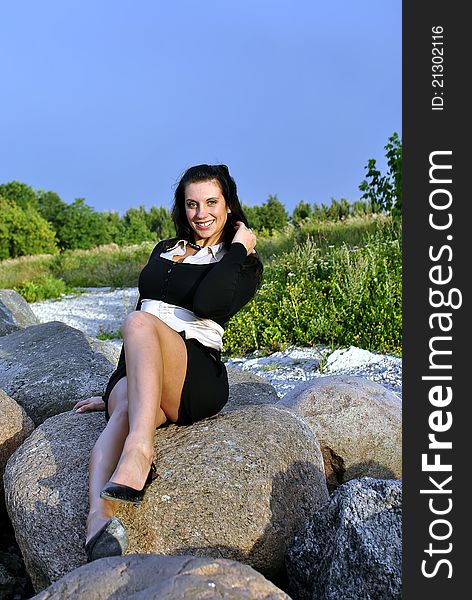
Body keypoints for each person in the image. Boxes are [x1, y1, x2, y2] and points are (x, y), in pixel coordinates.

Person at [72, 164, 263, 562]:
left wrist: (240, 245)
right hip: (146, 367)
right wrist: (116, 382)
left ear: (229, 205)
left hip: (194, 375)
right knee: (122, 405)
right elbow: (146, 306)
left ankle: (140, 452)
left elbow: (209, 304)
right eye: (192, 204)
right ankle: (98, 522)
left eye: (212, 202)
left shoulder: (241, 262)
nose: (202, 214)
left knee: (139, 322)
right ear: (183, 207)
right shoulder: (164, 249)